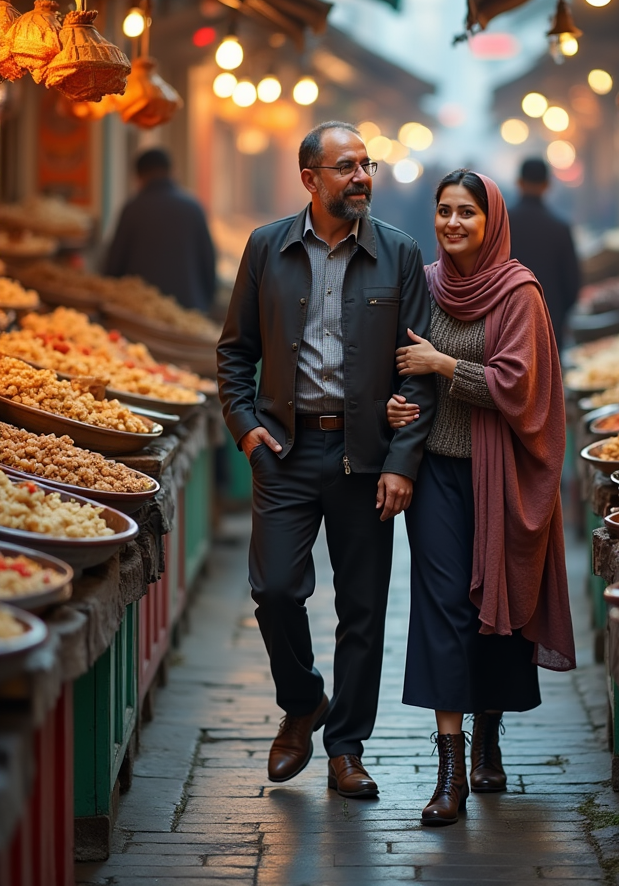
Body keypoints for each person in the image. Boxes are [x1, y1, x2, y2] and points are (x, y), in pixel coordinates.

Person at [217, 121, 435, 800]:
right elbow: (234, 353)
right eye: (346, 167)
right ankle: (302, 699)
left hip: (366, 456)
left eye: (366, 164)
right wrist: (248, 431)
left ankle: (346, 750)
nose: (362, 176)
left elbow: (419, 371)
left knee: (363, 609)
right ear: (310, 179)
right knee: (276, 590)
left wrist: (402, 460)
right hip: (284, 449)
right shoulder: (266, 248)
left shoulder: (399, 254)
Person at [387, 169, 575, 827]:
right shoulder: (426, 285)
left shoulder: (520, 293)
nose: (453, 224)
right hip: (438, 470)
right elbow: (404, 369)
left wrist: (444, 365)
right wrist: (398, 404)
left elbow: (520, 387)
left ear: (490, 219)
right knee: (443, 610)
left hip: (503, 475)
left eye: (467, 212)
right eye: (443, 211)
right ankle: (451, 769)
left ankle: (489, 733)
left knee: (493, 603)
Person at [104, 148, 217, 312]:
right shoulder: (193, 208)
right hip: (189, 310)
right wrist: (206, 302)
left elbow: (114, 265)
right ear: (173, 171)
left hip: (141, 311)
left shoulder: (133, 209)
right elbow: (208, 262)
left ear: (139, 177)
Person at [506, 157, 580, 350]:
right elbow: (572, 284)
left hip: (507, 321)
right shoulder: (560, 227)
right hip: (549, 319)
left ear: (519, 183)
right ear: (547, 185)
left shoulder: (501, 226)